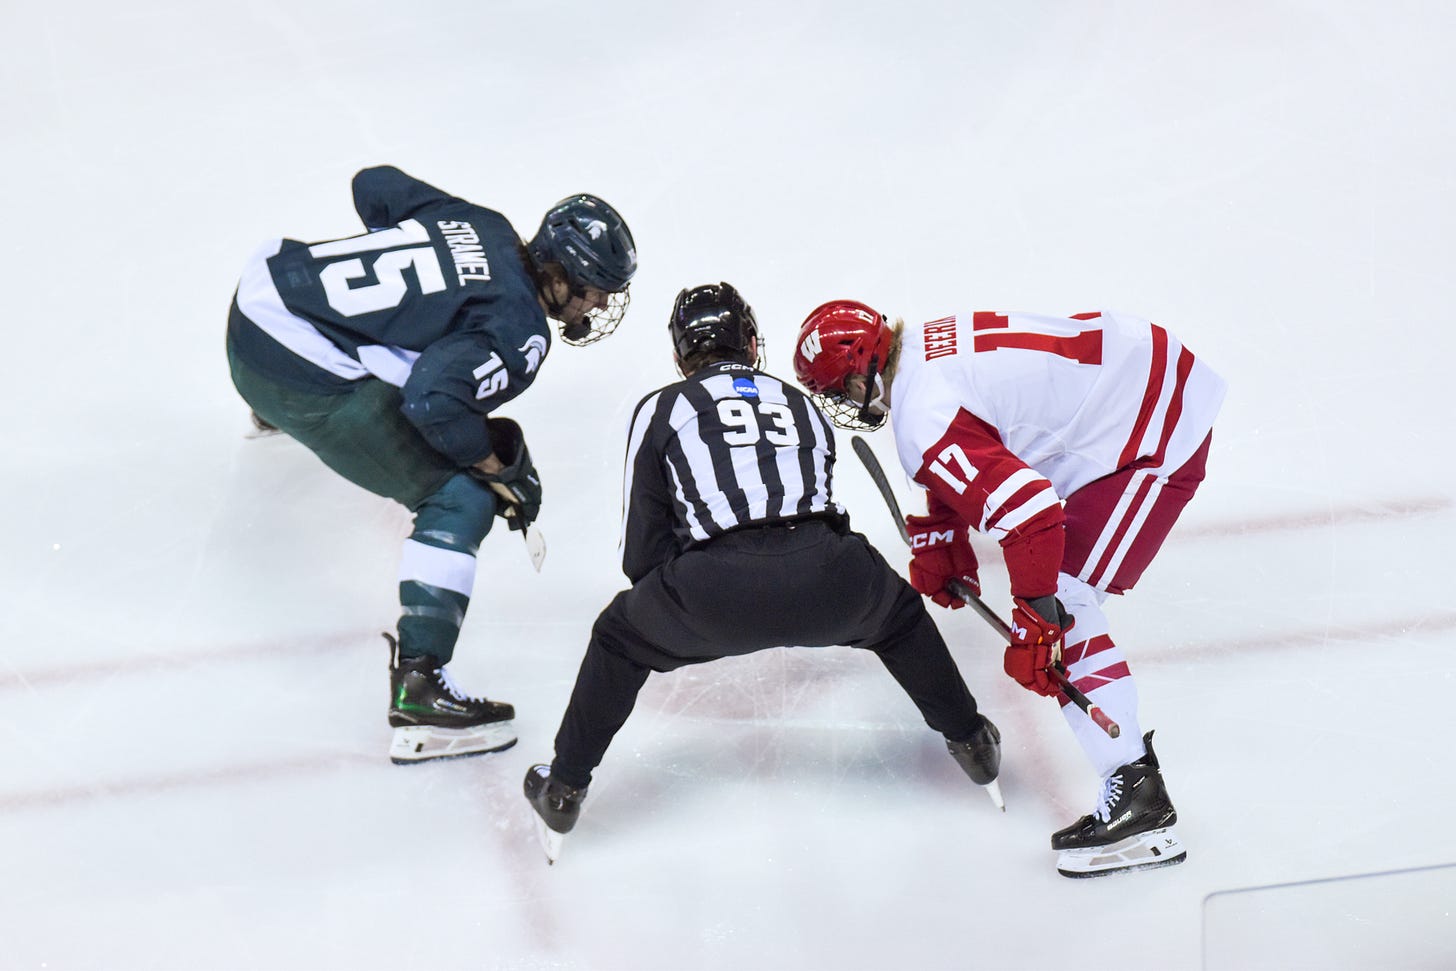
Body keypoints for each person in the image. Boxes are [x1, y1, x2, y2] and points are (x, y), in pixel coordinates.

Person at [521, 283, 1002, 863]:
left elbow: (640, 556)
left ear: (680, 357)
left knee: (619, 640)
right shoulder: (801, 402)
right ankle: (972, 741)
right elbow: (818, 503)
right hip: (832, 574)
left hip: (714, 591)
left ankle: (566, 784)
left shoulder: (663, 406)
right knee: (899, 619)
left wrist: (687, 605)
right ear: (751, 342)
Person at [792, 300, 1225, 877]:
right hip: (1138, 381)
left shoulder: (921, 416)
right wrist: (945, 532)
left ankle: (1140, 801)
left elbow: (1032, 518)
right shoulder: (925, 345)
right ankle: (1133, 786)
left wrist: (1037, 626)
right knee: (1056, 590)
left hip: (1153, 432)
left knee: (1065, 597)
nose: (844, 404)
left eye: (838, 391)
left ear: (856, 374)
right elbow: (979, 436)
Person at [225, 165, 637, 764]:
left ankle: (272, 404)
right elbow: (431, 402)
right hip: (286, 372)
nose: (598, 303)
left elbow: (375, 184)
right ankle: (421, 687)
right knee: (459, 496)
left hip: (253, 307)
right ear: (557, 271)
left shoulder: (484, 225)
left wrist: (424, 277)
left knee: (376, 345)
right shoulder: (521, 332)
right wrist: (493, 467)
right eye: (595, 286)